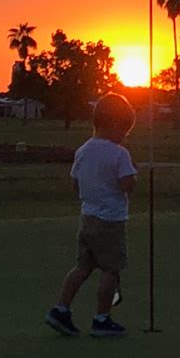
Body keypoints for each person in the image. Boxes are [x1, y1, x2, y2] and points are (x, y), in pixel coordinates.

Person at [45, 92, 137, 338]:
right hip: (110, 221)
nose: (124, 137)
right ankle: (101, 318)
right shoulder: (119, 154)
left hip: (87, 218)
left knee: (82, 267)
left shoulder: (83, 150)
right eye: (125, 131)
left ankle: (61, 309)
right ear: (116, 124)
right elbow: (127, 184)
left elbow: (75, 183)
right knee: (111, 269)